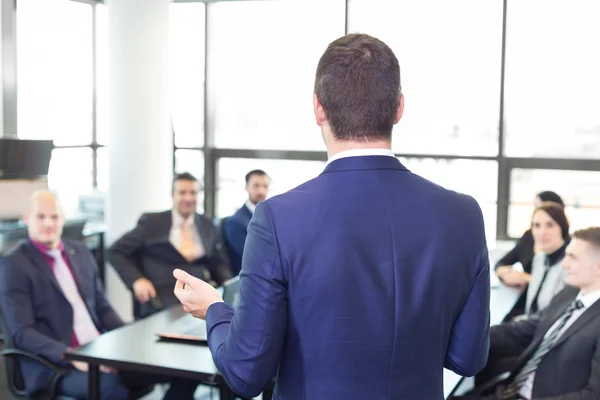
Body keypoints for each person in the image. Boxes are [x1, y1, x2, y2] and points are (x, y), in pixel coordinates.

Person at [172, 33, 490, 399]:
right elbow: (467, 358)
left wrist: (215, 310)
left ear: (318, 108)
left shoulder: (278, 218)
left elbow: (247, 374)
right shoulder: (464, 215)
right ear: (399, 108)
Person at [0, 191, 197, 399]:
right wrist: (71, 355)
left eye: (54, 217)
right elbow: (22, 333)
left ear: (63, 219)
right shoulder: (15, 265)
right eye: (40, 217)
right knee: (112, 389)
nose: (48, 223)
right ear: (26, 219)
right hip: (57, 364)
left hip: (99, 349)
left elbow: (103, 309)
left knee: (181, 370)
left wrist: (132, 340)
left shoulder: (80, 252)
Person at [454, 227, 600, 400]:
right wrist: (465, 335)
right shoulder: (569, 293)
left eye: (573, 257)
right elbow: (526, 328)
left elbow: (593, 395)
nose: (564, 264)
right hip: (510, 389)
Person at [107, 172, 231, 319]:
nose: (188, 198)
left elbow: (216, 262)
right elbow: (115, 251)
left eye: (193, 193)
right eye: (182, 192)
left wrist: (229, 285)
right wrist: (137, 279)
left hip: (197, 300)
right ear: (173, 195)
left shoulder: (207, 224)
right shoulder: (152, 222)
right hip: (160, 300)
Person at [495, 191, 564, 288]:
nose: (542, 231)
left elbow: (557, 284)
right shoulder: (529, 237)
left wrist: (525, 277)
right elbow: (502, 262)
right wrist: (506, 273)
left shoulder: (568, 250)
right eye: (537, 225)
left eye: (550, 224)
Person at [222, 169, 270, 275]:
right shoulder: (235, 222)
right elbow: (250, 257)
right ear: (247, 187)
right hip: (248, 280)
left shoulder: (270, 218)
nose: (261, 191)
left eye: (265, 186)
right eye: (256, 186)